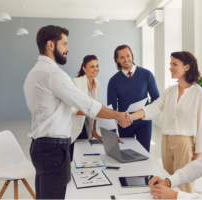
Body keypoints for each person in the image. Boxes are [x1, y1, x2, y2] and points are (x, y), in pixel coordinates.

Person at [23, 25, 132, 200]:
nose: (68, 49)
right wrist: (118, 115)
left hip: (40, 146)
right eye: (64, 44)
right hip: (54, 150)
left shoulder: (33, 73)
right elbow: (88, 105)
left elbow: (65, 108)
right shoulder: (54, 74)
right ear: (51, 45)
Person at [127, 51, 202, 193]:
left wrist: (199, 152)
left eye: (174, 64)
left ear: (187, 67)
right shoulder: (170, 91)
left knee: (183, 186)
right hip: (166, 141)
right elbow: (154, 107)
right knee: (168, 181)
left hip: (184, 143)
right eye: (170, 64)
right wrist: (130, 117)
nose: (170, 68)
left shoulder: (198, 93)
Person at [69, 55, 123, 161]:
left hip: (87, 125)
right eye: (92, 67)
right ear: (84, 68)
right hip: (76, 125)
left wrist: (94, 130)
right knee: (74, 154)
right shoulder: (76, 82)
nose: (96, 69)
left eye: (97, 66)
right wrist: (93, 112)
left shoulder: (97, 84)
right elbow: (72, 109)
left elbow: (95, 105)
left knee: (83, 154)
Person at [107, 45, 159, 152]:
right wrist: (112, 132)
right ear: (117, 60)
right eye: (122, 57)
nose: (126, 60)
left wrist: (146, 112)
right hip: (124, 124)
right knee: (127, 153)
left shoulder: (147, 75)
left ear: (132, 56)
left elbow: (156, 99)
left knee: (144, 154)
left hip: (144, 122)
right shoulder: (113, 81)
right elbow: (111, 109)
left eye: (128, 55)